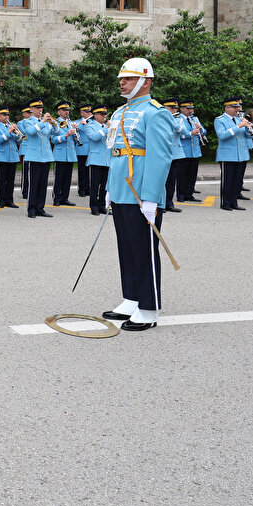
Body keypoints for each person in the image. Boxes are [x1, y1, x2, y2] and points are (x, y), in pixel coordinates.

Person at [101, 58, 171, 332]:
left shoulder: (156, 113)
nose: (122, 82)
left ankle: (149, 308)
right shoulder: (119, 112)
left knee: (144, 251)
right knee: (127, 248)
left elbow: (160, 157)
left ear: (146, 82)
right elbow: (114, 152)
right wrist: (109, 187)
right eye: (122, 78)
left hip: (141, 192)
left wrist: (151, 197)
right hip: (121, 190)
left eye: (128, 79)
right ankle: (131, 298)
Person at [215, 97, 252, 211]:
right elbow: (222, 136)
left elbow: (248, 136)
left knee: (237, 180)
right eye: (235, 107)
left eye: (238, 107)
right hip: (227, 155)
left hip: (242, 154)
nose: (238, 109)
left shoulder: (238, 119)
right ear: (227, 108)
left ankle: (234, 202)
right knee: (227, 180)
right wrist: (239, 126)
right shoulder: (220, 120)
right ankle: (225, 203)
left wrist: (250, 129)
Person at [18, 99, 54, 218]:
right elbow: (31, 132)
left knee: (43, 184)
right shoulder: (27, 122)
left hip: (46, 156)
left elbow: (56, 132)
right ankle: (31, 209)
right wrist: (43, 121)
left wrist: (53, 123)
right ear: (31, 109)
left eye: (41, 108)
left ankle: (40, 208)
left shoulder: (45, 123)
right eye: (37, 108)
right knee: (33, 184)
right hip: (34, 157)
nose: (40, 110)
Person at [161, 98, 188, 212]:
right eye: (171, 108)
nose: (174, 110)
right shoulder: (160, 119)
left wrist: (173, 121)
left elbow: (185, 132)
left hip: (176, 154)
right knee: (162, 180)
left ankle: (169, 203)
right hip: (163, 153)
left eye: (175, 108)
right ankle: (161, 204)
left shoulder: (177, 119)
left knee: (172, 180)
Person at [83, 106, 111, 214]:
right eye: (102, 114)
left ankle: (102, 205)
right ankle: (94, 207)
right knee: (95, 185)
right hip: (95, 159)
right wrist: (106, 128)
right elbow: (95, 137)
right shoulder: (90, 126)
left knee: (104, 185)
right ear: (95, 115)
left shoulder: (106, 126)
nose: (105, 116)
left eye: (105, 114)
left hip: (106, 158)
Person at [50, 101, 79, 207]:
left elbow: (76, 139)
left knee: (67, 178)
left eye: (67, 110)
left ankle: (65, 198)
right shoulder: (55, 123)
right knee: (59, 177)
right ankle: (56, 198)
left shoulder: (71, 123)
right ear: (59, 112)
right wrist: (66, 135)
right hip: (60, 154)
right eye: (64, 110)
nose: (67, 112)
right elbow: (53, 139)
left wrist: (76, 132)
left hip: (70, 154)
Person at [0, 108, 20, 208]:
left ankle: (9, 200)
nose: (7, 117)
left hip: (13, 156)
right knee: (2, 180)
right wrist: (9, 131)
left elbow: (19, 140)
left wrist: (17, 133)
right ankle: (1, 200)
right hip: (2, 157)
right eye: (4, 115)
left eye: (7, 114)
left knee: (11, 180)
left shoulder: (11, 126)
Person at [177, 99, 203, 202]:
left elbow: (204, 131)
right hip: (184, 151)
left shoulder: (195, 119)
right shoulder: (178, 119)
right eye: (188, 108)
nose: (190, 111)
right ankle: (181, 195)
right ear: (182, 109)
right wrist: (190, 133)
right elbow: (178, 135)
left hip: (195, 151)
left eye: (192, 108)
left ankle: (189, 194)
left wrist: (200, 129)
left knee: (192, 175)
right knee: (182, 175)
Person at [75, 104, 92, 197]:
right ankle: (82, 189)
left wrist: (87, 124)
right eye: (87, 112)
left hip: (91, 149)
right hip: (81, 149)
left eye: (90, 112)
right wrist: (76, 128)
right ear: (82, 113)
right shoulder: (77, 122)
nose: (89, 113)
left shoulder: (93, 122)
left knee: (90, 171)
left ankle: (89, 189)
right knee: (82, 171)